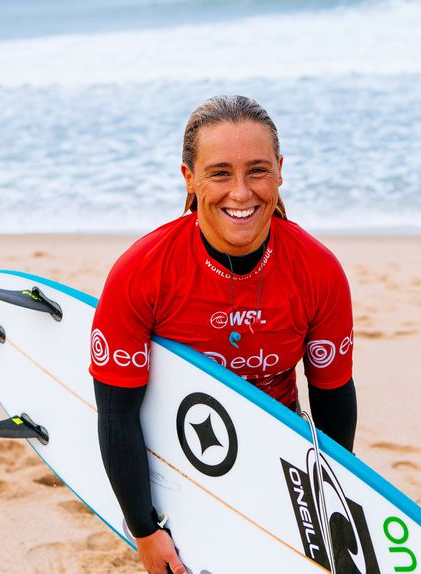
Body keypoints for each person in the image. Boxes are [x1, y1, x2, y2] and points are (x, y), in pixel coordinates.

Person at [89, 95, 357, 574]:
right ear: (189, 178)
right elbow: (115, 414)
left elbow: (334, 397)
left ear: (280, 170)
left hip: (278, 456)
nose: (241, 192)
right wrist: (145, 531)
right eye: (219, 173)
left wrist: (333, 505)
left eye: (257, 170)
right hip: (172, 461)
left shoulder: (318, 271)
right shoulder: (141, 273)